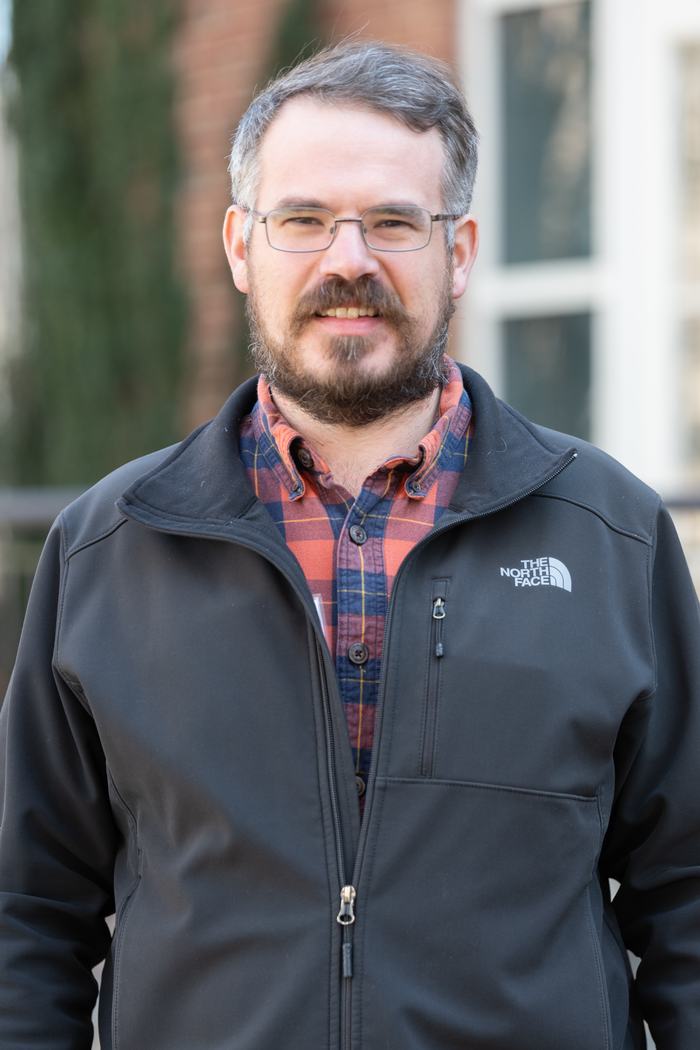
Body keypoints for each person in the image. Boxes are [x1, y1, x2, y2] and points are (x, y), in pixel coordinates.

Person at [1, 40, 699, 1050]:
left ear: (457, 251)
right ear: (241, 246)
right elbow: (26, 914)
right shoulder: (108, 549)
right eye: (303, 220)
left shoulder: (612, 536)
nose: (348, 260)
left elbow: (686, 898)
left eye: (391, 222)